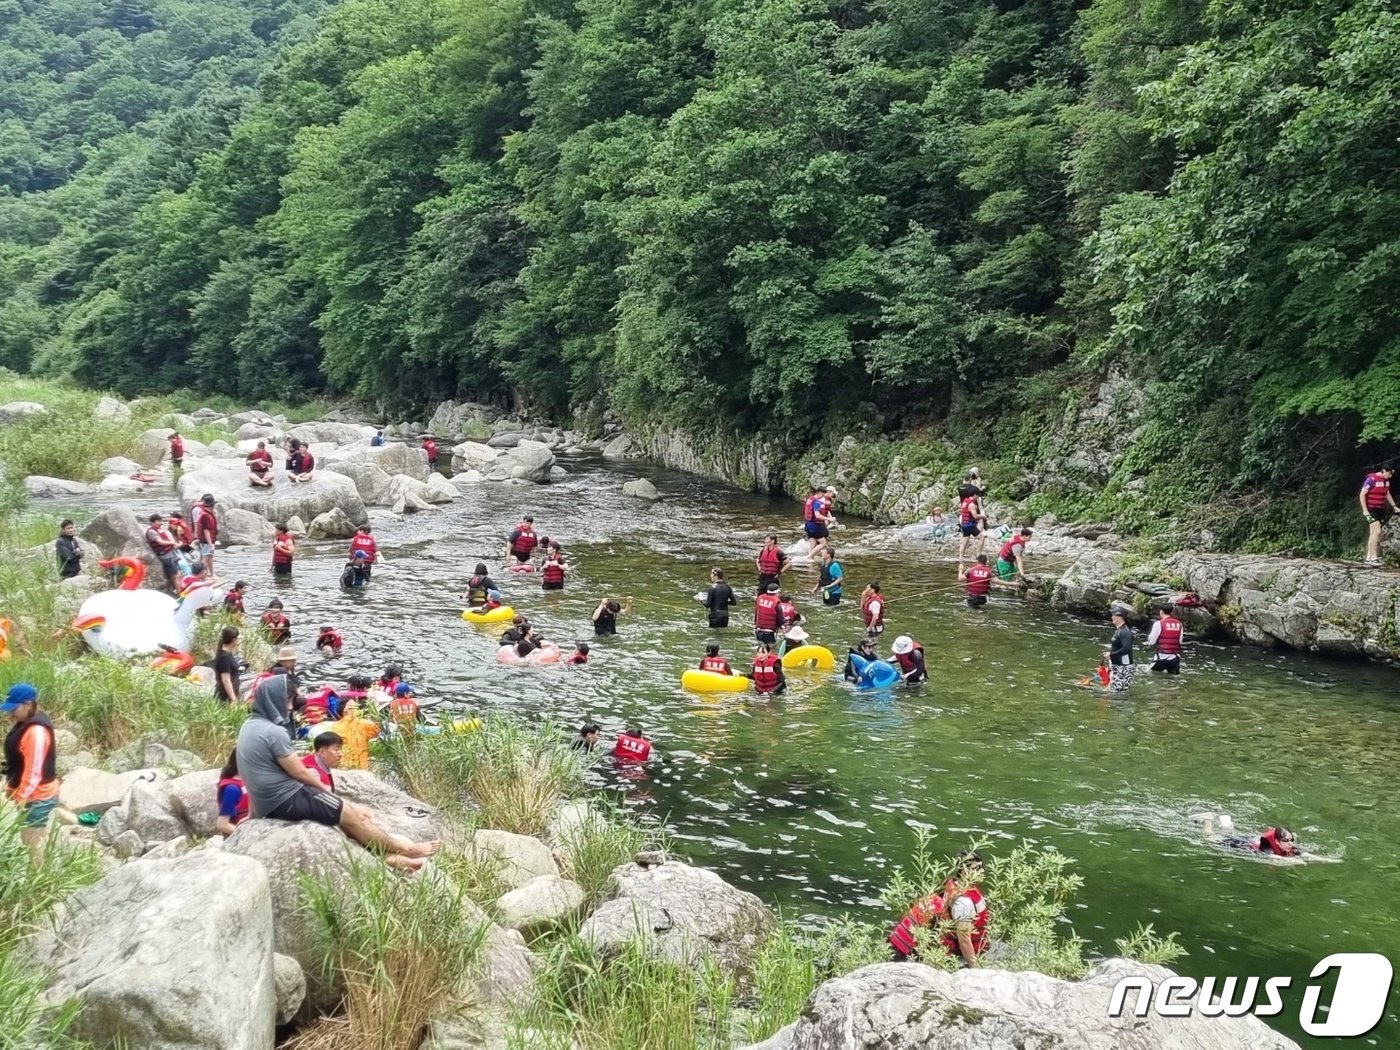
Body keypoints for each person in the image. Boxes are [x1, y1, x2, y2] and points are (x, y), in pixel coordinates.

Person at [235, 678, 437, 867]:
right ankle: (406, 848)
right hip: (285, 800)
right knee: (349, 812)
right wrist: (326, 792)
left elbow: (251, 772)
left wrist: (253, 813)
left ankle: (387, 856)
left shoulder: (249, 726)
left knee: (341, 811)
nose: (289, 707)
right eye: (287, 701)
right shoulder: (274, 732)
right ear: (273, 701)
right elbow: (300, 773)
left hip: (267, 803)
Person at [3, 683, 58, 864]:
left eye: (14, 709)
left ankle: (40, 887)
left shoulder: (36, 731)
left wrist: (22, 797)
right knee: (32, 840)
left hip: (37, 797)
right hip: (31, 795)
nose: (10, 714)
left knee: (32, 842)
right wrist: (11, 786)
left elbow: (34, 771)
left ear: (28, 705)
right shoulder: (24, 722)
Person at [889, 879, 955, 961]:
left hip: (893, 941)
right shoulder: (941, 909)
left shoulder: (928, 899)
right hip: (906, 950)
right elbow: (936, 939)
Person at [945, 850, 989, 967]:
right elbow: (964, 941)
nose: (983, 870)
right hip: (958, 959)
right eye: (978, 868)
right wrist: (975, 968)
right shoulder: (963, 902)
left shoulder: (956, 885)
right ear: (965, 871)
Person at [1361, 466, 1398, 565]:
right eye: (1389, 473)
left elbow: (1387, 494)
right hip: (1370, 509)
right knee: (1377, 531)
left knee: (1373, 533)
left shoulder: (1386, 481)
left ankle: (1369, 557)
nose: (1390, 476)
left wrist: (1394, 506)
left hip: (1379, 509)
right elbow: (1362, 494)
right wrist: (1365, 511)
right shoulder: (1371, 480)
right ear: (1384, 471)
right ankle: (1374, 558)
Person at [215, 748, 250, 836]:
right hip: (240, 837)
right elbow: (222, 824)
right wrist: (246, 835)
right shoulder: (232, 789)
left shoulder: (251, 781)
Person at [145, 513, 182, 589]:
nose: (160, 523)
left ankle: (180, 589)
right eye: (158, 521)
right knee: (174, 575)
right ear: (152, 523)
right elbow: (161, 542)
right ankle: (179, 592)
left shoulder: (160, 531)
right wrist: (173, 542)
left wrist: (174, 542)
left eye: (160, 521)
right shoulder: (151, 532)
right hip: (165, 556)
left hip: (171, 553)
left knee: (179, 573)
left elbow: (170, 539)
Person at [1146, 606, 1183, 674]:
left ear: (1161, 612)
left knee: (1150, 674)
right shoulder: (1179, 624)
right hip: (1174, 658)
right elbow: (1180, 641)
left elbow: (1151, 641)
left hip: (1161, 657)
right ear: (1172, 612)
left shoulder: (1158, 624)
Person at [1107, 605, 1134, 692]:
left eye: (1113, 615)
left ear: (1120, 617)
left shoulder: (1125, 632)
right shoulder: (1119, 630)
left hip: (1123, 667)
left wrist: (1111, 655)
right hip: (1117, 666)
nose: (1112, 617)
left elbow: (1126, 649)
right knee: (1113, 690)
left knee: (1118, 693)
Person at [213, 626, 242, 705]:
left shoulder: (227, 654)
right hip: (225, 697)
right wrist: (233, 699)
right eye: (238, 638)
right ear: (234, 640)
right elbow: (226, 680)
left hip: (229, 695)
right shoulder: (225, 658)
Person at [193, 493, 219, 575]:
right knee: (205, 558)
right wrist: (210, 543)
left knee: (209, 556)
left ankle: (212, 574)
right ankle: (200, 575)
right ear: (212, 505)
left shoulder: (205, 513)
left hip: (208, 540)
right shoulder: (205, 515)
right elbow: (206, 530)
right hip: (206, 541)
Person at [957, 488, 986, 560]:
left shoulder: (965, 501)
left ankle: (960, 556)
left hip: (964, 524)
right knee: (982, 538)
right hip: (970, 525)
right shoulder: (972, 504)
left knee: (965, 541)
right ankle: (978, 555)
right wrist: (983, 516)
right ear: (974, 495)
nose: (978, 497)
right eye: (978, 495)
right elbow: (975, 516)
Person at [802, 487, 830, 556]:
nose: (823, 497)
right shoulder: (817, 502)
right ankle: (809, 557)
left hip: (808, 525)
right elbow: (817, 515)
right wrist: (828, 519)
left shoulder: (810, 499)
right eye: (823, 495)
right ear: (820, 493)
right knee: (823, 543)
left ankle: (810, 560)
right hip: (814, 526)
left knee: (813, 545)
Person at [754, 582, 782, 646]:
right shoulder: (777, 603)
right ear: (777, 593)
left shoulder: (760, 598)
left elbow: (756, 613)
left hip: (758, 630)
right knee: (770, 650)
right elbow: (780, 619)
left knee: (760, 648)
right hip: (769, 633)